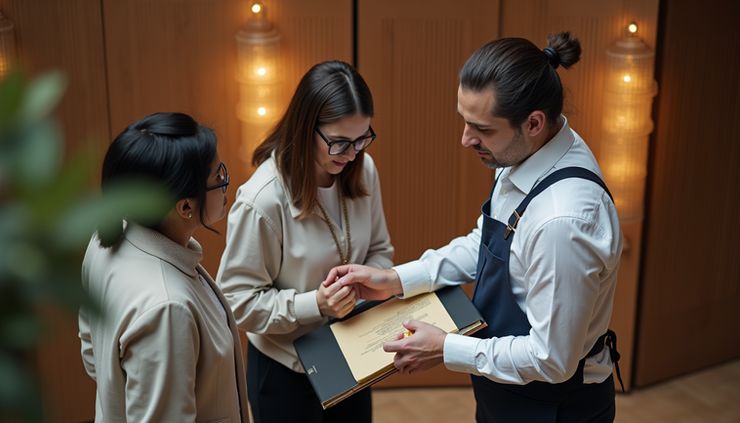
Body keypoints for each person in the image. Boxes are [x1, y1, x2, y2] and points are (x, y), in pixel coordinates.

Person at [325, 32, 623, 423]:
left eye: (481, 128)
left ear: (533, 123)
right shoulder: (527, 152)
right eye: (464, 121)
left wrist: (447, 349)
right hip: (505, 392)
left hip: (552, 407)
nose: (466, 139)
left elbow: (552, 360)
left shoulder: (562, 222)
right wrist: (393, 279)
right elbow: (485, 244)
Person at [216, 61, 394, 423]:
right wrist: (317, 304)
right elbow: (237, 302)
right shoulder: (263, 200)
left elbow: (379, 250)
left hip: (351, 351)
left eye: (362, 138)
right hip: (286, 370)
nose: (352, 153)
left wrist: (366, 281)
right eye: (339, 142)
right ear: (305, 127)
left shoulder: (362, 169)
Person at [78, 112, 249, 423]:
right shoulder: (168, 308)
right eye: (217, 178)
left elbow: (93, 352)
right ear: (185, 207)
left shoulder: (107, 239)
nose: (226, 182)